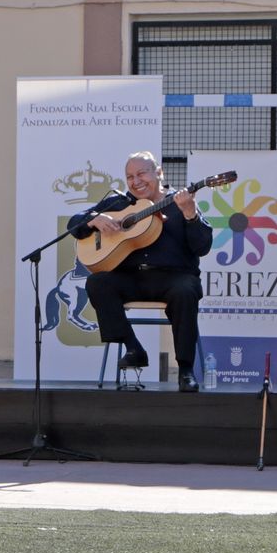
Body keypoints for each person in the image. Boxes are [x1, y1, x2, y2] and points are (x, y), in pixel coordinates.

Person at [72, 152, 213, 392]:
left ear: (159, 173)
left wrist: (190, 214)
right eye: (130, 177)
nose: (135, 181)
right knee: (97, 282)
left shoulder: (180, 202)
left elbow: (203, 247)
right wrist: (94, 219)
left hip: (174, 278)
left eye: (141, 174)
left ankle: (186, 370)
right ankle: (133, 348)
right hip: (132, 278)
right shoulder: (119, 204)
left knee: (185, 291)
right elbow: (73, 224)